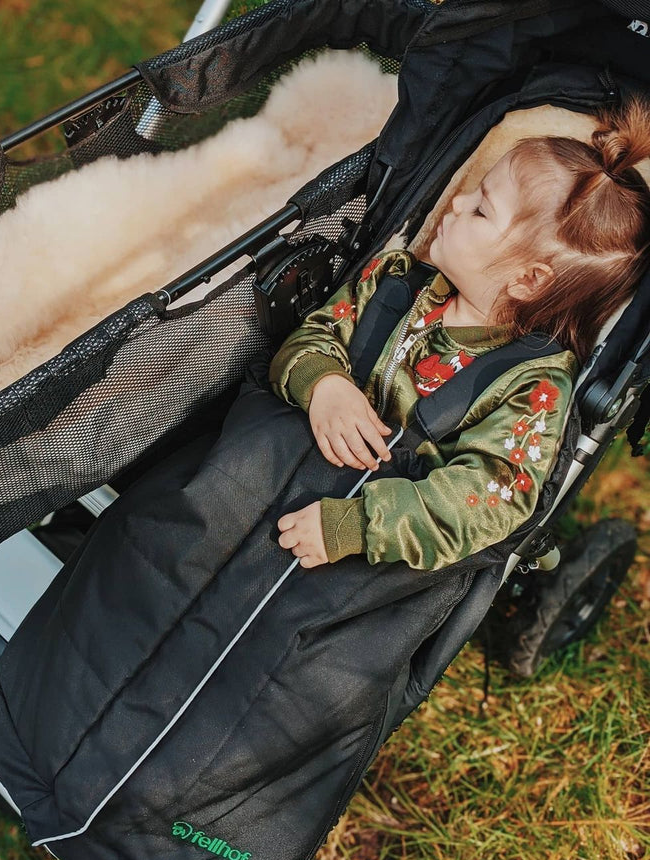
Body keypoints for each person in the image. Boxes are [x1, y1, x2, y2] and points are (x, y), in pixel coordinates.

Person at [271, 98, 650, 571]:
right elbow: (314, 335)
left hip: (368, 544)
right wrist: (324, 383)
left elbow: (488, 499)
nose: (457, 201)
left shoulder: (533, 388)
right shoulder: (392, 283)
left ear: (528, 279)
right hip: (282, 465)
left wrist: (358, 524)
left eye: (480, 211)